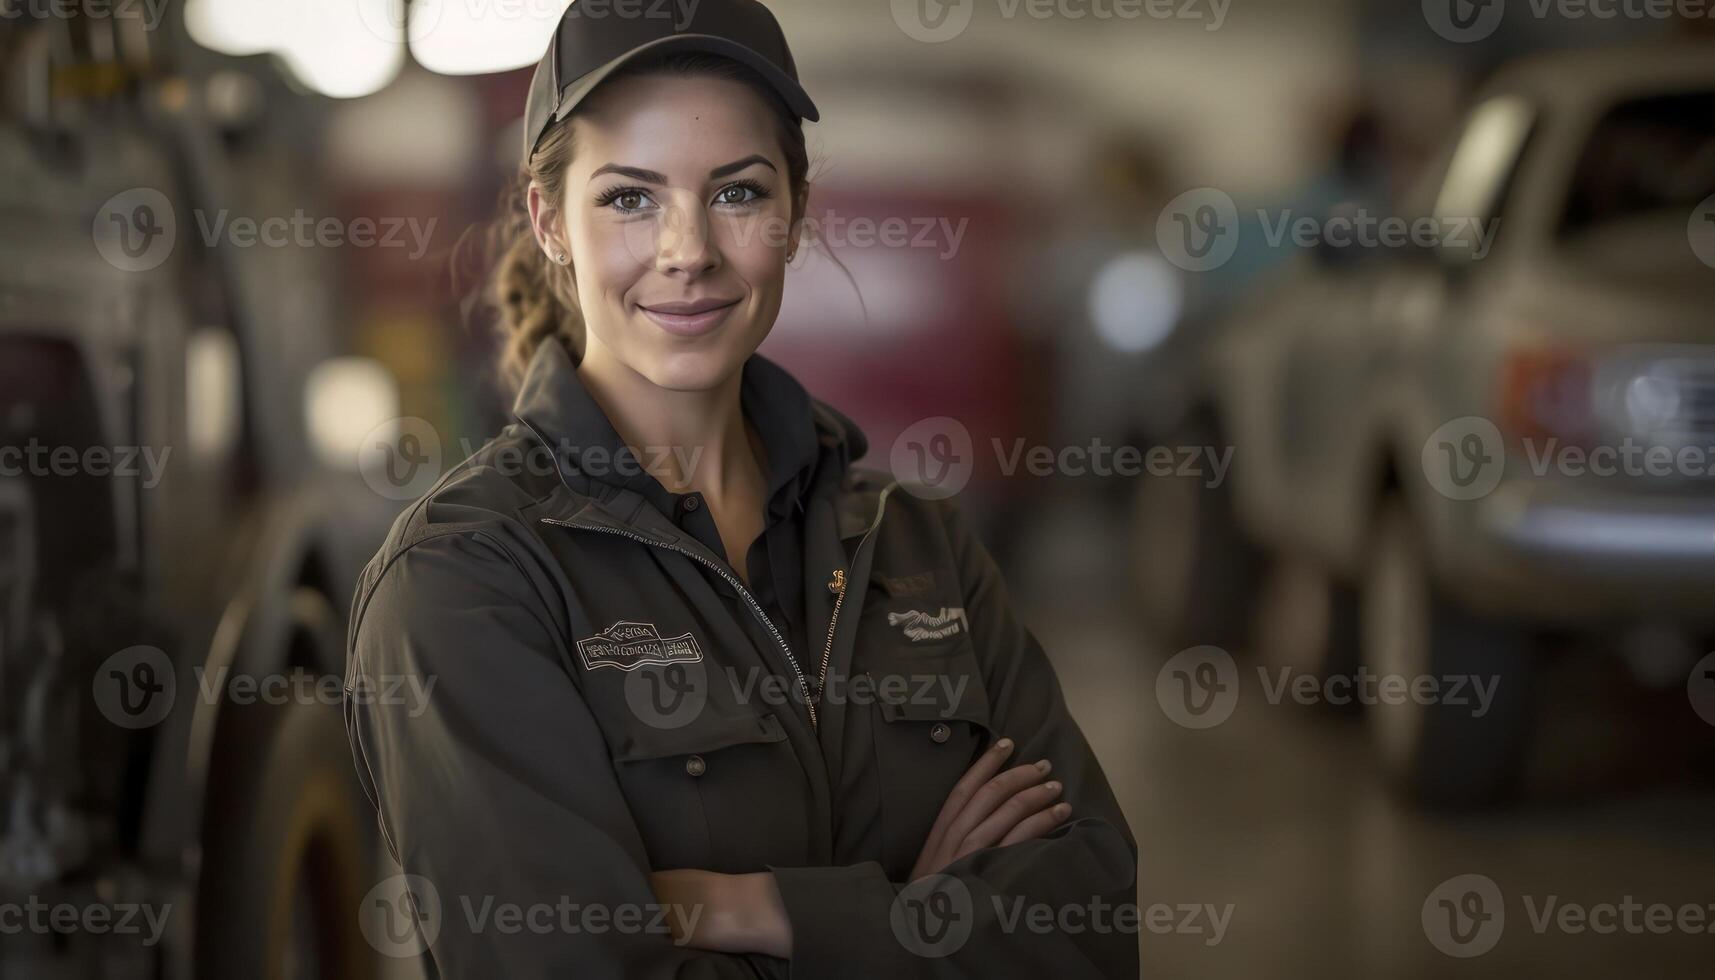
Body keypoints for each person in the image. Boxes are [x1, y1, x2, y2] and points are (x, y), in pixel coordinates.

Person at [343, 2, 1137, 976]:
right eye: (629, 198)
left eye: (737, 192)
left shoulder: (915, 545)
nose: (688, 250)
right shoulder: (470, 580)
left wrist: (758, 908)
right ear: (550, 221)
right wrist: (915, 917)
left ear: (794, 216)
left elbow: (1086, 928)